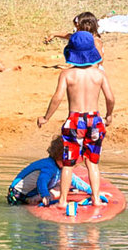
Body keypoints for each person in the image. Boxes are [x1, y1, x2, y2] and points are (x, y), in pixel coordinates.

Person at [36, 28, 117, 206]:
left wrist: (46, 118)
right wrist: (108, 116)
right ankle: (96, 199)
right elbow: (110, 98)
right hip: (95, 120)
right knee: (92, 163)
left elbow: (57, 98)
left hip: (75, 121)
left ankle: (63, 201)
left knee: (68, 164)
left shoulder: (67, 74)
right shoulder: (99, 74)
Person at [8, 136, 91, 206]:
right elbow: (41, 181)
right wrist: (45, 195)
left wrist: (91, 191)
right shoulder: (49, 166)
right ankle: (32, 199)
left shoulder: (61, 167)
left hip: (33, 191)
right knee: (59, 189)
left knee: (62, 186)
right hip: (17, 195)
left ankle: (34, 198)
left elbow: (74, 180)